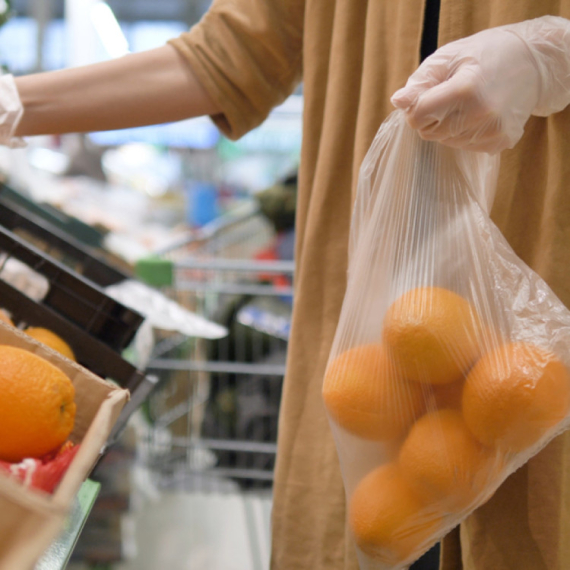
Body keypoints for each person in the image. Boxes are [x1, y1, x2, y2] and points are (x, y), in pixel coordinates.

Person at [4, 2, 570, 569]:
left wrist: (552, 56)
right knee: (367, 529)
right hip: (362, 353)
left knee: (530, 521)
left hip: (540, 338)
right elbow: (227, 55)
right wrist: (15, 101)